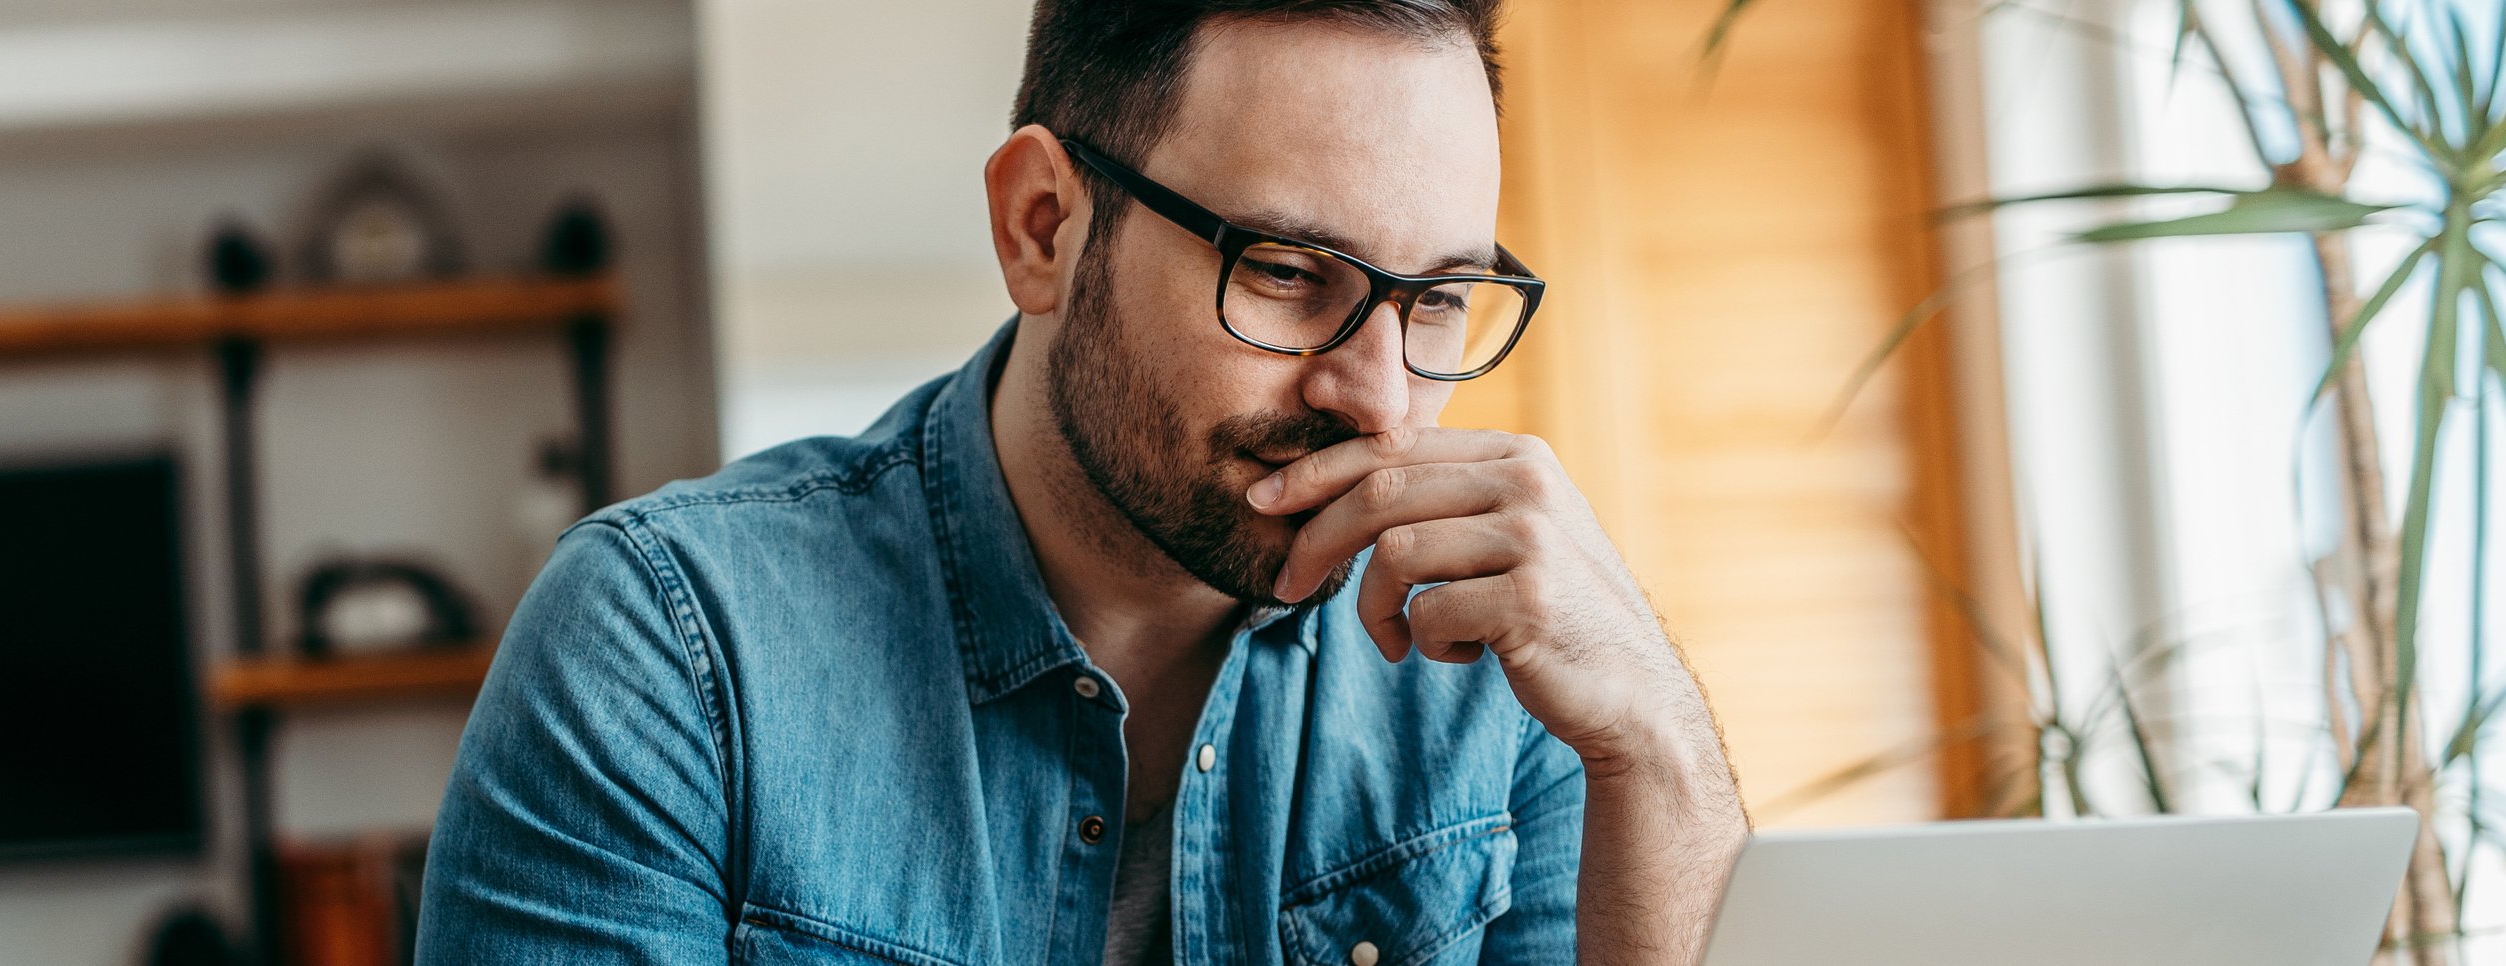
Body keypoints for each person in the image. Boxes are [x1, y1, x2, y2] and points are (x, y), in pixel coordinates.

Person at [418, 1, 1746, 962]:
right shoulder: (667, 653)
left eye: (1439, 299)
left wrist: (1661, 747)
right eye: (1287, 273)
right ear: (1041, 227)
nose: (1383, 398)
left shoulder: (1500, 678)